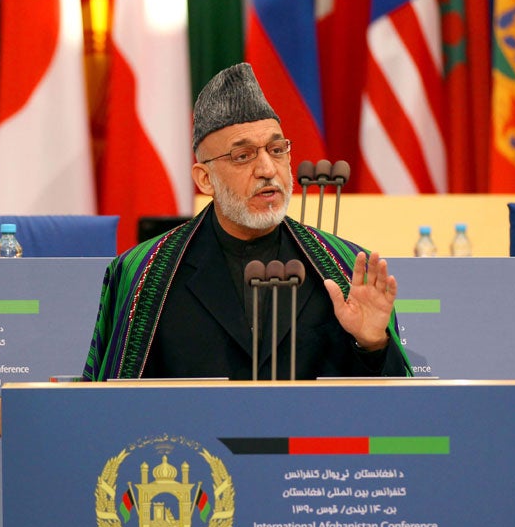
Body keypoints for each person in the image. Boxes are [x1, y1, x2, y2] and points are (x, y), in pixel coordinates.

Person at [83, 62, 411, 381]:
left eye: (277, 149)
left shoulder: (342, 267)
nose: (268, 169)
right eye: (243, 156)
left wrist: (373, 344)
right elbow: (110, 410)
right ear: (205, 179)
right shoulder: (146, 274)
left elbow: (395, 416)